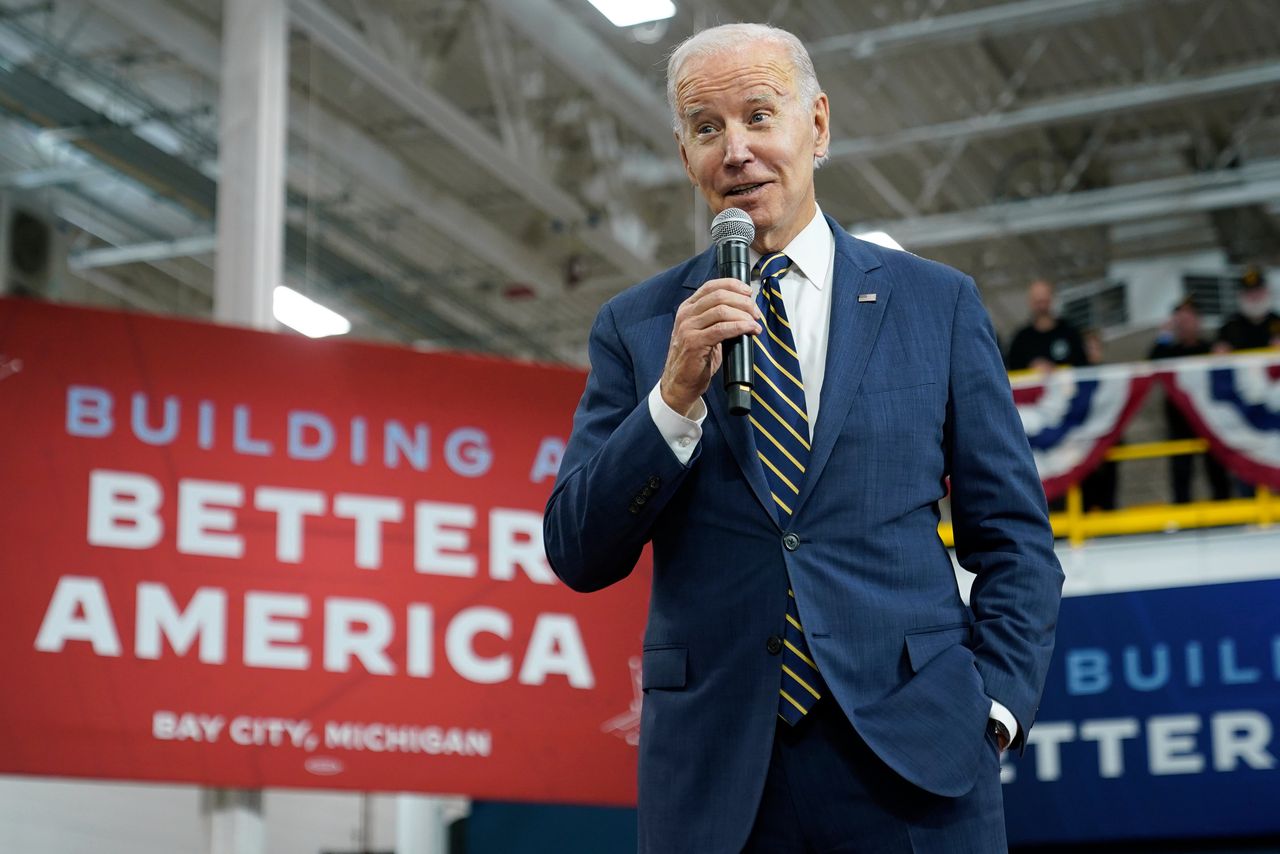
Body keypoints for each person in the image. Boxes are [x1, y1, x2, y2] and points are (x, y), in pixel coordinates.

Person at [544, 23, 1062, 853]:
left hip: (919, 761)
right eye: (707, 128)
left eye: (759, 115)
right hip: (718, 781)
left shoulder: (938, 305)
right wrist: (674, 397)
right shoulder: (637, 330)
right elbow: (578, 549)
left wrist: (992, 710)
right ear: (685, 155)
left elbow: (1014, 543)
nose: (736, 150)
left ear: (817, 125)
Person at [1149, 297, 1231, 503]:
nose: (1184, 324)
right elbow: (1151, 363)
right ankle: (1182, 518)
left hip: (1209, 418)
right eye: (1180, 320)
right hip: (1180, 420)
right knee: (1181, 473)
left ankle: (1225, 514)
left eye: (1188, 319)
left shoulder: (1209, 348)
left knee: (1217, 470)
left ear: (1198, 320)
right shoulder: (1170, 351)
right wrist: (1164, 335)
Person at [1004, 279, 1088, 371]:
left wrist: (1055, 369)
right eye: (1037, 302)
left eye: (1044, 301)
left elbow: (1083, 367)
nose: (1042, 306)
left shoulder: (1069, 332)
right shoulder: (1021, 339)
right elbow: (1013, 372)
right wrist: (1032, 369)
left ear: (1052, 299)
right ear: (1030, 302)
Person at [1215, 266, 1280, 352]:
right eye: (1249, 292)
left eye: (1258, 291)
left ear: (1266, 292)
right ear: (1241, 296)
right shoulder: (1230, 327)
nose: (1254, 297)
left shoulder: (1277, 321)